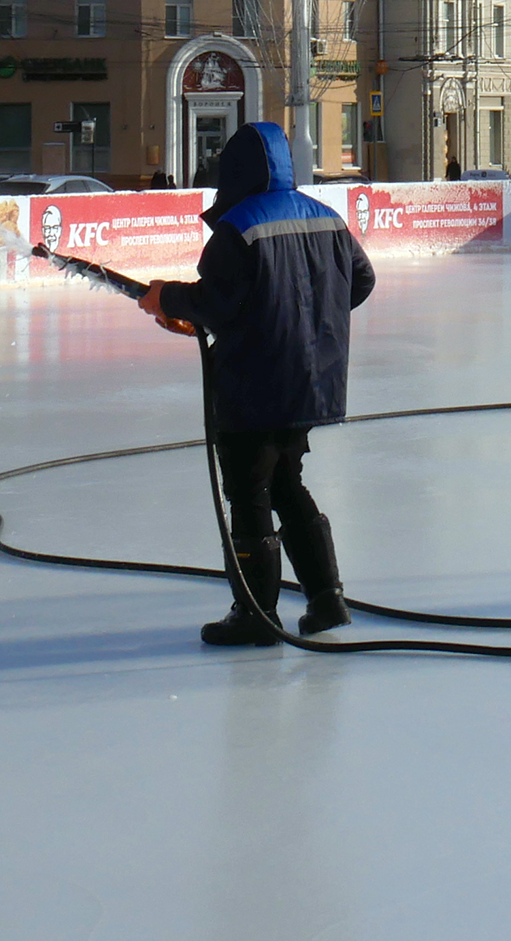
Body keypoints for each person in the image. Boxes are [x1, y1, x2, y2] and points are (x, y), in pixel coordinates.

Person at [138, 121, 377, 646]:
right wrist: (313, 325)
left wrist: (166, 299)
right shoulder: (327, 217)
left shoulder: (239, 226)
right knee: (288, 483)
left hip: (254, 383)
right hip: (310, 381)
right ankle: (327, 600)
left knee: (248, 493)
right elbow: (361, 280)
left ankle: (255, 615)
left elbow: (216, 302)